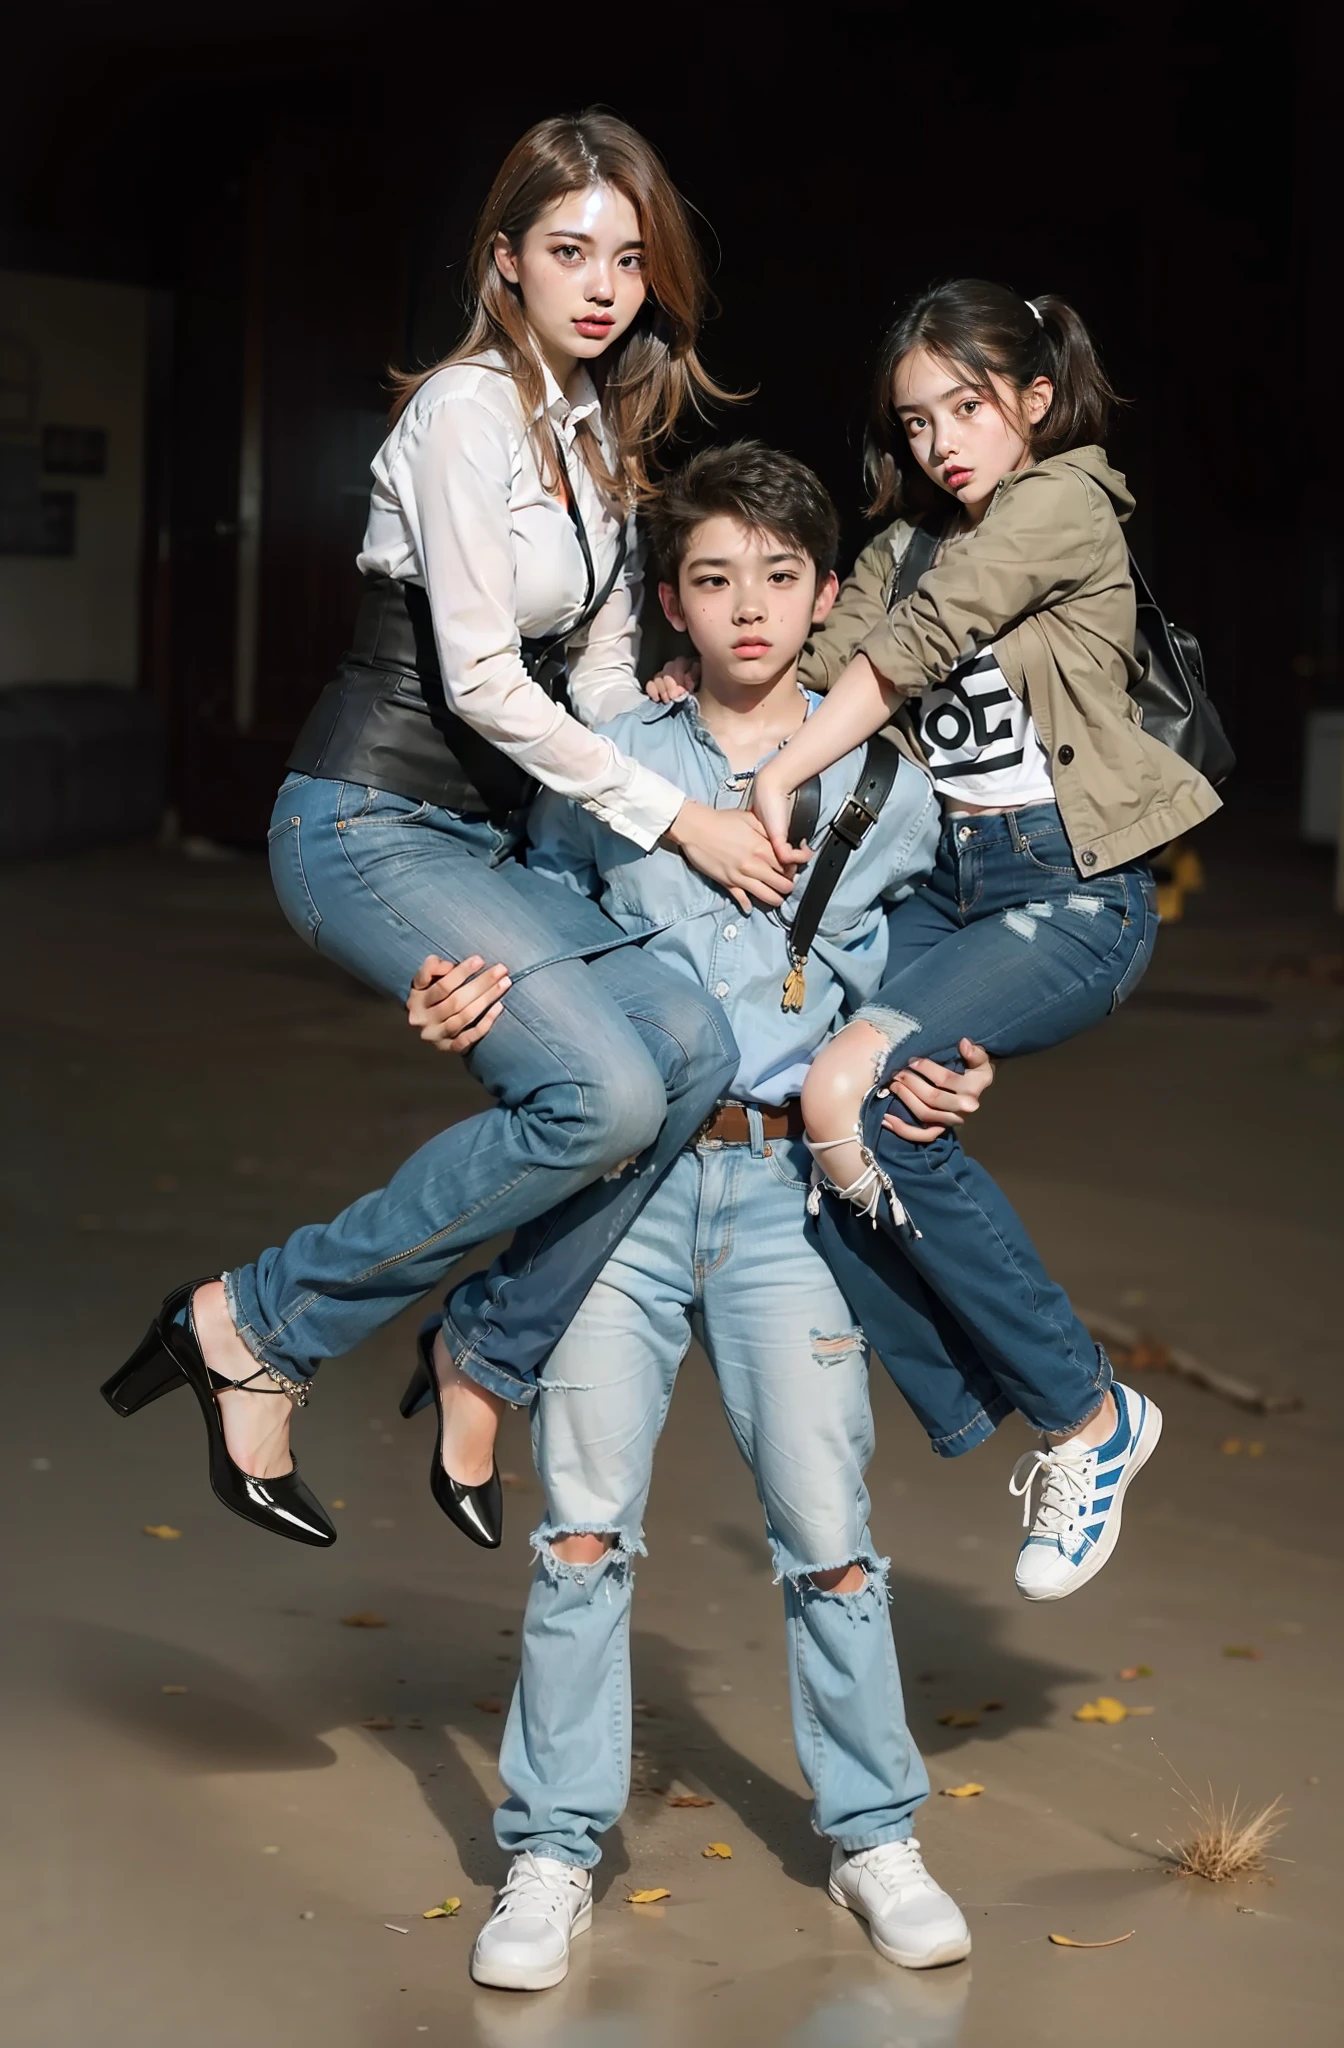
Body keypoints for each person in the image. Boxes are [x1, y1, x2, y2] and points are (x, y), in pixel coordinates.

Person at [102, 111, 812, 1548]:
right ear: (506, 263)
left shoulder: (593, 433)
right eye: (570, 252)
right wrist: (681, 823)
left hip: (476, 847)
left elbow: (605, 674)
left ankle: (482, 1347)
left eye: (628, 257)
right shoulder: (465, 414)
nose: (604, 284)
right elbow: (486, 677)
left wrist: (723, 760)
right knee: (604, 1094)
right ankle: (255, 1323)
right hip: (364, 820)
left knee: (690, 1050)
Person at [452, 443, 978, 1991]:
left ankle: (875, 1830)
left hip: (784, 1193)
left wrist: (953, 1056)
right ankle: (549, 1853)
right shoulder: (615, 759)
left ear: (826, 595)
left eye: (777, 575)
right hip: (624, 1188)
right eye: (711, 576)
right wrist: (460, 998)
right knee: (581, 1529)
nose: (747, 606)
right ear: (672, 603)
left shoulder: (888, 781)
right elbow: (524, 929)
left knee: (828, 1533)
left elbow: (948, 959)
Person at [747, 280, 1221, 1601]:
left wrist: (784, 768)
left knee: (852, 1094)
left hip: (1075, 889)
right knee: (824, 1120)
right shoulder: (904, 545)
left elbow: (912, 649)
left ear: (1027, 400)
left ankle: (1086, 1420)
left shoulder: (1064, 502)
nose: (942, 441)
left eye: (967, 407)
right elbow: (817, 647)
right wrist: (706, 661)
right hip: (952, 898)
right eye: (914, 423)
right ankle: (989, 1404)